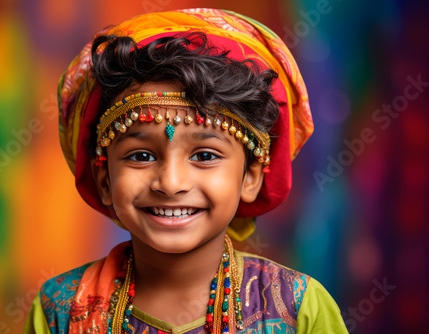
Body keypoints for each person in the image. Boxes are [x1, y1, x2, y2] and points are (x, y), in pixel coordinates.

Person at [24, 8, 348, 334]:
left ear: (251, 176)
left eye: (205, 155)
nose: (171, 183)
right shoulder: (60, 311)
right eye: (140, 156)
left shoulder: (299, 309)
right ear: (104, 178)